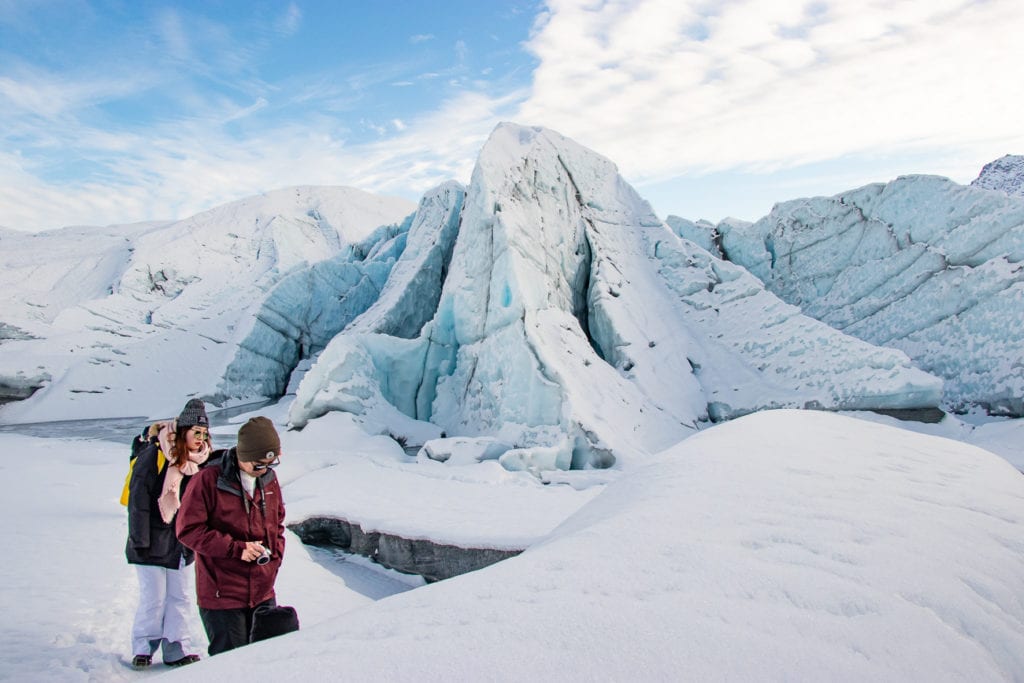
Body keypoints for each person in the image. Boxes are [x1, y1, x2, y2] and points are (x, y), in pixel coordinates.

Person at [176, 416, 286, 656]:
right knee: (231, 665)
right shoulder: (207, 480)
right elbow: (188, 529)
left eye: (270, 463)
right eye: (258, 464)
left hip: (263, 591)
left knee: (267, 662)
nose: (264, 470)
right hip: (222, 595)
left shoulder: (268, 479)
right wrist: (237, 549)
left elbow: (277, 524)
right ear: (243, 455)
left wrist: (273, 561)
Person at [125, 398, 211, 669]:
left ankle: (176, 647)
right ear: (183, 430)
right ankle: (143, 648)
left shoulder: (202, 460)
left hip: (181, 542)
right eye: (196, 432)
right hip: (151, 540)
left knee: (180, 597)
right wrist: (140, 541)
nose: (201, 438)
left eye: (204, 433)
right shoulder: (156, 454)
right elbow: (138, 499)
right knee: (154, 597)